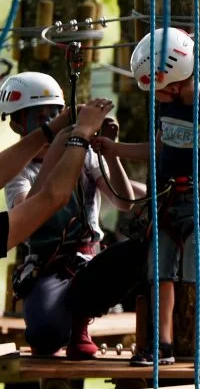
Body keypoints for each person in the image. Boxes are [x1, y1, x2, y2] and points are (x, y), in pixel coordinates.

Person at [94, 27, 200, 368]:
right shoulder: (165, 108)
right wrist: (115, 148)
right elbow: (158, 149)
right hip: (166, 201)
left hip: (198, 204)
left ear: (174, 84)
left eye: (156, 90)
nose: (153, 96)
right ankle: (162, 345)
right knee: (160, 274)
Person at [1, 71, 136, 359]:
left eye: (54, 115)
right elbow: (36, 212)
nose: (49, 123)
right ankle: (62, 319)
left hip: (87, 260)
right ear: (16, 124)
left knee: (143, 252)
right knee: (45, 338)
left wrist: (110, 151)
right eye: (40, 118)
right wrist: (68, 145)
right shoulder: (19, 172)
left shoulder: (84, 155)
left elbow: (124, 201)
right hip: (47, 266)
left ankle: (80, 323)